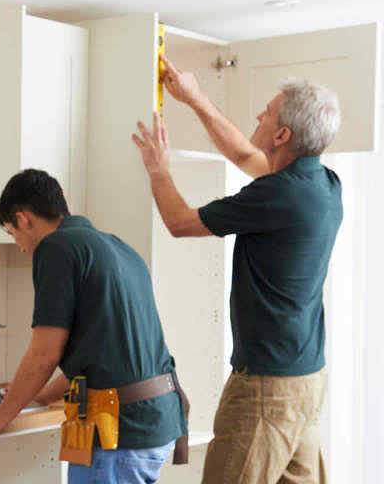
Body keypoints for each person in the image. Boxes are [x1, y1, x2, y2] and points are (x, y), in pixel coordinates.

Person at [132, 55, 341, 484]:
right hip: (305, 380)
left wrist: (157, 170)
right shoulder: (323, 184)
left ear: (283, 135)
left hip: (266, 387)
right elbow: (245, 154)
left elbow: (180, 223)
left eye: (267, 112)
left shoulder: (276, 196)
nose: (259, 115)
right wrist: (195, 100)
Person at [0, 169, 187, 484]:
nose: (20, 246)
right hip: (156, 420)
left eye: (12, 233)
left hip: (118, 432)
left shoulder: (56, 248)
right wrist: (37, 397)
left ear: (22, 219)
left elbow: (44, 354)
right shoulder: (116, 247)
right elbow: (101, 353)